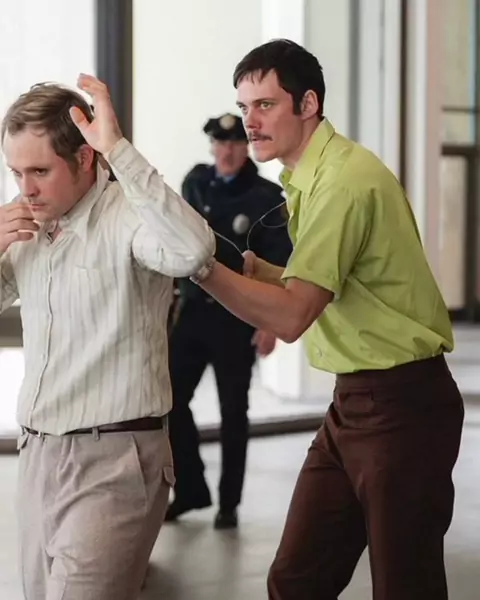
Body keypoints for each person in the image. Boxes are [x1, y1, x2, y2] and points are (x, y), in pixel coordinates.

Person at [186, 39, 464, 600]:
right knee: (296, 581)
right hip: (353, 404)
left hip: (402, 407)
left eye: (265, 105)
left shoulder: (343, 183)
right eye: (244, 107)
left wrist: (203, 272)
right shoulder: (311, 178)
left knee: (405, 588)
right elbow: (319, 282)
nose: (250, 123)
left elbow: (293, 316)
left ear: (308, 103)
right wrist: (249, 268)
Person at [0, 74, 214, 600]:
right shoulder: (26, 226)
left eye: (40, 171)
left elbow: (193, 252)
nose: (26, 188)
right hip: (37, 455)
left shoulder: (131, 217)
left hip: (116, 459)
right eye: (15, 172)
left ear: (85, 158)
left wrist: (117, 147)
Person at [165, 113, 292, 529]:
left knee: (233, 412)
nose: (226, 152)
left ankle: (229, 504)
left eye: (235, 144)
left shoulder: (266, 197)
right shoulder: (196, 182)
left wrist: (270, 324)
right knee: (168, 400)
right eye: (220, 144)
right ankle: (190, 489)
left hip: (237, 317)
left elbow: (280, 264)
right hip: (193, 313)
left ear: (245, 148)